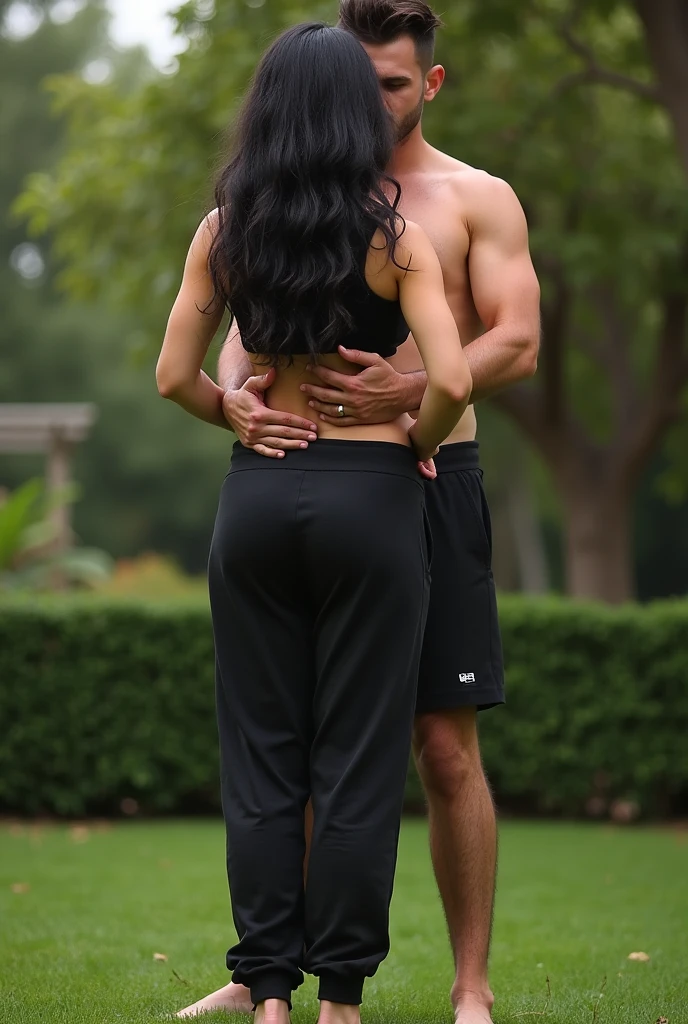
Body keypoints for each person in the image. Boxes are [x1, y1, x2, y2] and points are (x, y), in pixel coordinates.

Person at [197, 3, 542, 1023]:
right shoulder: (287, 188)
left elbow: (515, 340)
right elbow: (234, 323)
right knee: (309, 737)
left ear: (427, 86)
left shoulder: (474, 198)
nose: (371, 100)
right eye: (359, 80)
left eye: (392, 84)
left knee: (441, 744)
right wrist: (236, 395)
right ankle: (275, 968)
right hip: (321, 482)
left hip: (431, 478)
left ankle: (468, 983)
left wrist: (415, 395)